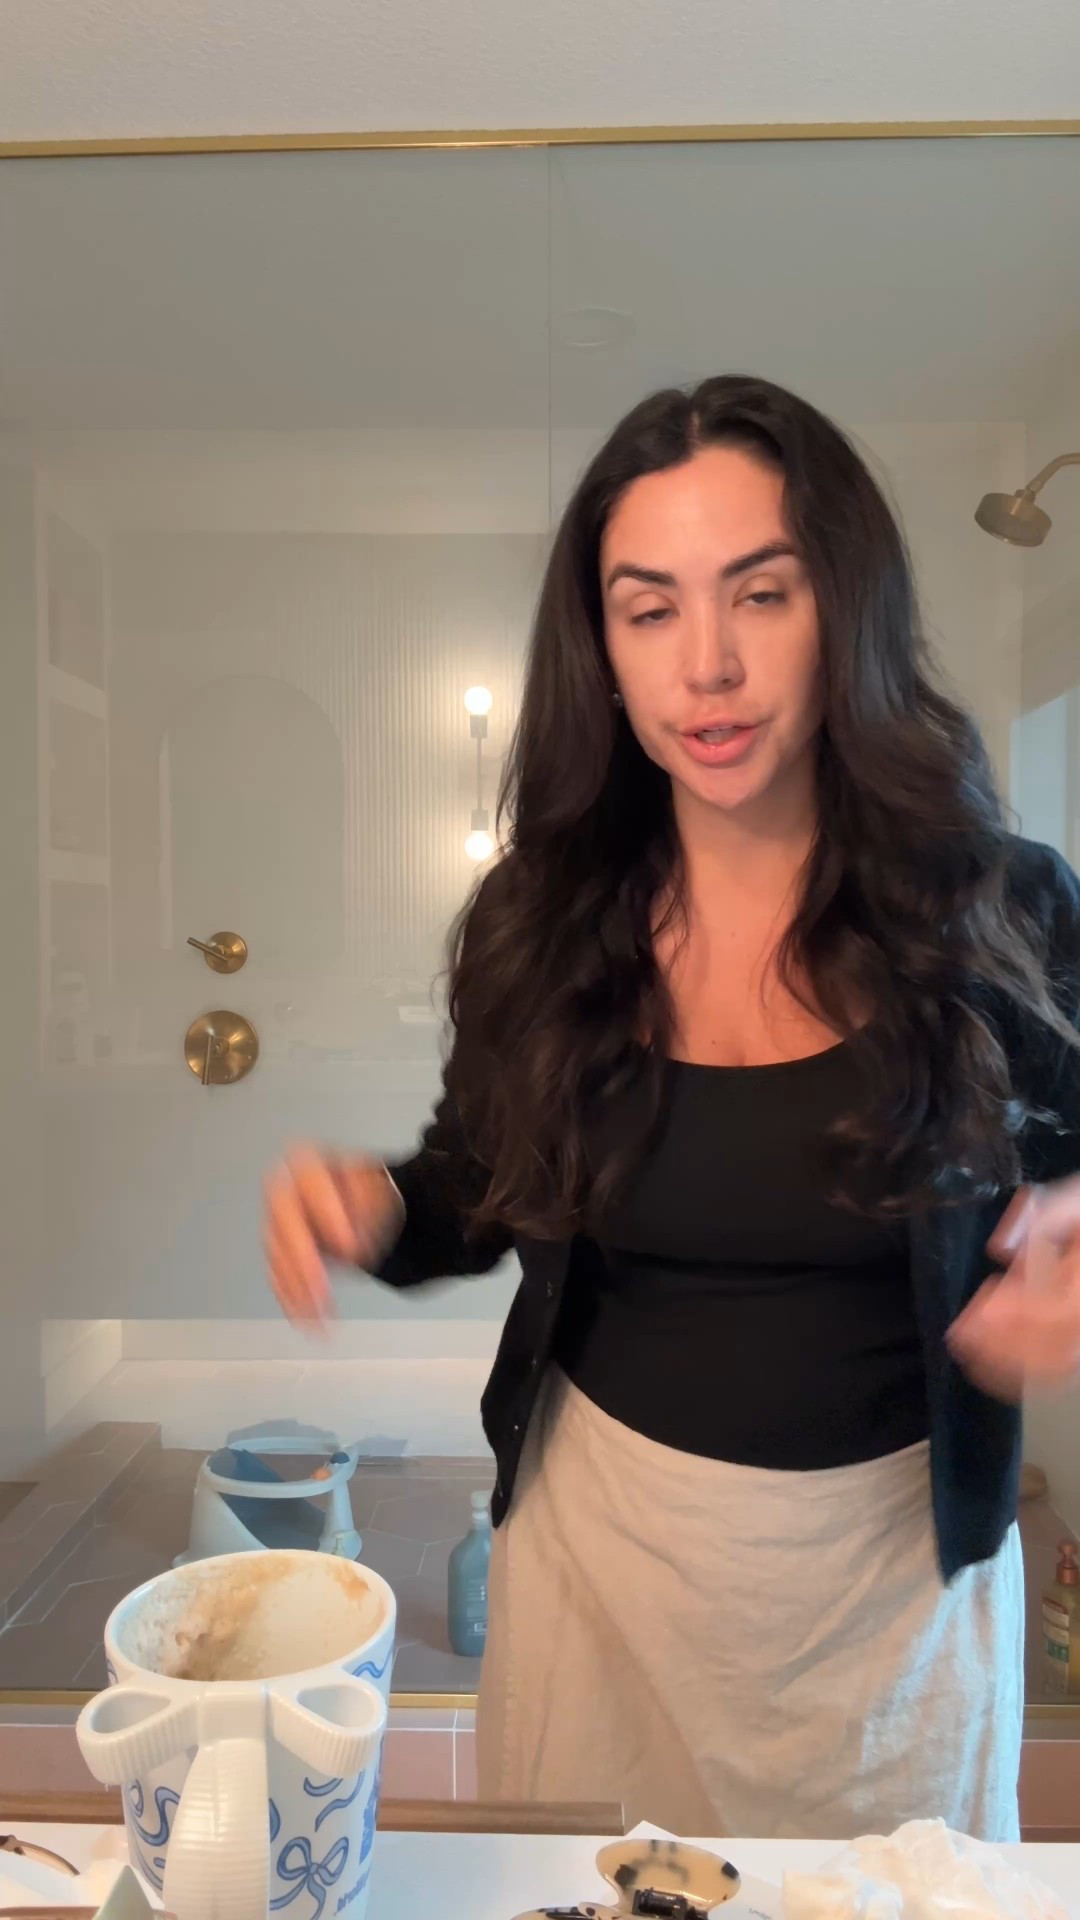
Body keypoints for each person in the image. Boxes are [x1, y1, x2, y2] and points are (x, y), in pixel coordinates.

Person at [264, 375, 1080, 1842]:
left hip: (891, 1592)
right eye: (649, 610)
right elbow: (476, 1183)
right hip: (604, 1565)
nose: (707, 664)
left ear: (845, 608)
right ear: (603, 649)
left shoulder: (1004, 913)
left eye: (760, 594)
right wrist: (375, 1206)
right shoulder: (540, 920)